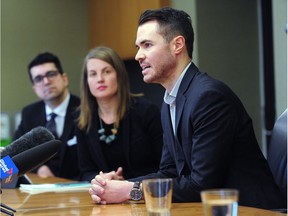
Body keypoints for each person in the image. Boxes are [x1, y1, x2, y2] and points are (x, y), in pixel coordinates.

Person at [88, 7, 284, 209]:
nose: (138, 55)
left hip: (254, 211)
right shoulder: (170, 100)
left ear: (177, 45)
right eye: (138, 47)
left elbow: (202, 184)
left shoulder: (209, 97)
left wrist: (131, 190)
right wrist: (122, 184)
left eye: (147, 45)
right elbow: (169, 172)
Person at [76, 46, 163, 182]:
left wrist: (126, 183)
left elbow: (165, 166)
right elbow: (86, 171)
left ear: (119, 75)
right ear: (86, 82)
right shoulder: (83, 120)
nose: (100, 79)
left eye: (106, 72)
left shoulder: (146, 111)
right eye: (93, 74)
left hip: (144, 193)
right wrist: (102, 179)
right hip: (105, 195)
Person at [14, 52, 80, 180]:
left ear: (64, 79)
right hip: (42, 191)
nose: (46, 81)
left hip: (80, 189)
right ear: (34, 88)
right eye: (38, 79)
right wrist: (39, 167)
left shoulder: (85, 110)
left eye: (51, 74)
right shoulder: (29, 113)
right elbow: (16, 154)